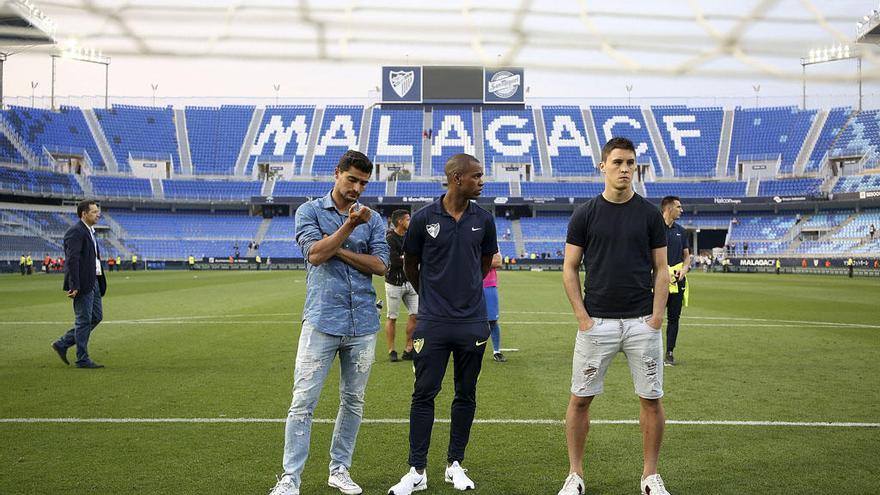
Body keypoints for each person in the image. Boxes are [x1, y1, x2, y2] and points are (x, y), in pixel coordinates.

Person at [268, 150, 389, 495]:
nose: (357, 188)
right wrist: (350, 226)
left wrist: (337, 248)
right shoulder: (309, 211)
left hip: (363, 321)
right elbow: (316, 255)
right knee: (303, 402)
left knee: (353, 401)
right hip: (321, 319)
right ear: (336, 173)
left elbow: (381, 265)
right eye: (352, 179)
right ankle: (291, 477)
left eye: (363, 183)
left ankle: (340, 469)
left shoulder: (375, 219)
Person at [558, 137, 671, 495]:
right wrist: (582, 318)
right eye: (618, 162)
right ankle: (575, 475)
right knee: (580, 399)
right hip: (597, 324)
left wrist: (656, 318)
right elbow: (570, 268)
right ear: (602, 166)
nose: (625, 169)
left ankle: (650, 476)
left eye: (630, 163)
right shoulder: (585, 214)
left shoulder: (650, 214)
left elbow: (662, 268)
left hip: (641, 323)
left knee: (651, 401)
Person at [387, 153, 497, 495]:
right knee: (424, 393)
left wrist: (464, 296)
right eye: (477, 176)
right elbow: (411, 266)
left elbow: (482, 265)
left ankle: (455, 465)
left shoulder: (485, 219)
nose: (482, 181)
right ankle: (416, 470)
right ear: (457, 179)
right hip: (433, 322)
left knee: (466, 394)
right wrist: (432, 298)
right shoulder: (422, 219)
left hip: (472, 322)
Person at [50, 200, 108, 369]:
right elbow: (72, 260)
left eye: (98, 211)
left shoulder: (90, 231)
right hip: (83, 282)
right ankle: (82, 358)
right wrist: (74, 284)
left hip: (94, 280)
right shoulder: (75, 232)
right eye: (94, 212)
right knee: (83, 320)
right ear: (84, 214)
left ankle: (62, 343)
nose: (98, 214)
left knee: (96, 316)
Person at [384, 208, 418, 362]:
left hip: (410, 281)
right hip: (394, 283)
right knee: (392, 317)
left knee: (416, 315)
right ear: (400, 222)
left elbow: (415, 256)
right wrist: (408, 259)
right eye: (408, 219)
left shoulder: (411, 236)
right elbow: (395, 261)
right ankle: (392, 350)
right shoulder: (390, 238)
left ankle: (408, 348)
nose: (410, 222)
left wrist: (405, 257)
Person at [660, 196, 690, 367]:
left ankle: (669, 352)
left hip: (678, 281)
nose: (681, 209)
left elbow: (687, 257)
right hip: (658, 280)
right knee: (652, 317)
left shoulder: (681, 231)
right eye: (679, 207)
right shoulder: (654, 229)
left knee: (674, 318)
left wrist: (684, 270)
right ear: (669, 208)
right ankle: (649, 351)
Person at [484, 252, 506, 362]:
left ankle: (496, 351)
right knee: (464, 319)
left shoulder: (491, 242)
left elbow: (498, 262)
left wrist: (475, 261)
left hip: (488, 285)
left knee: (492, 320)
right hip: (469, 284)